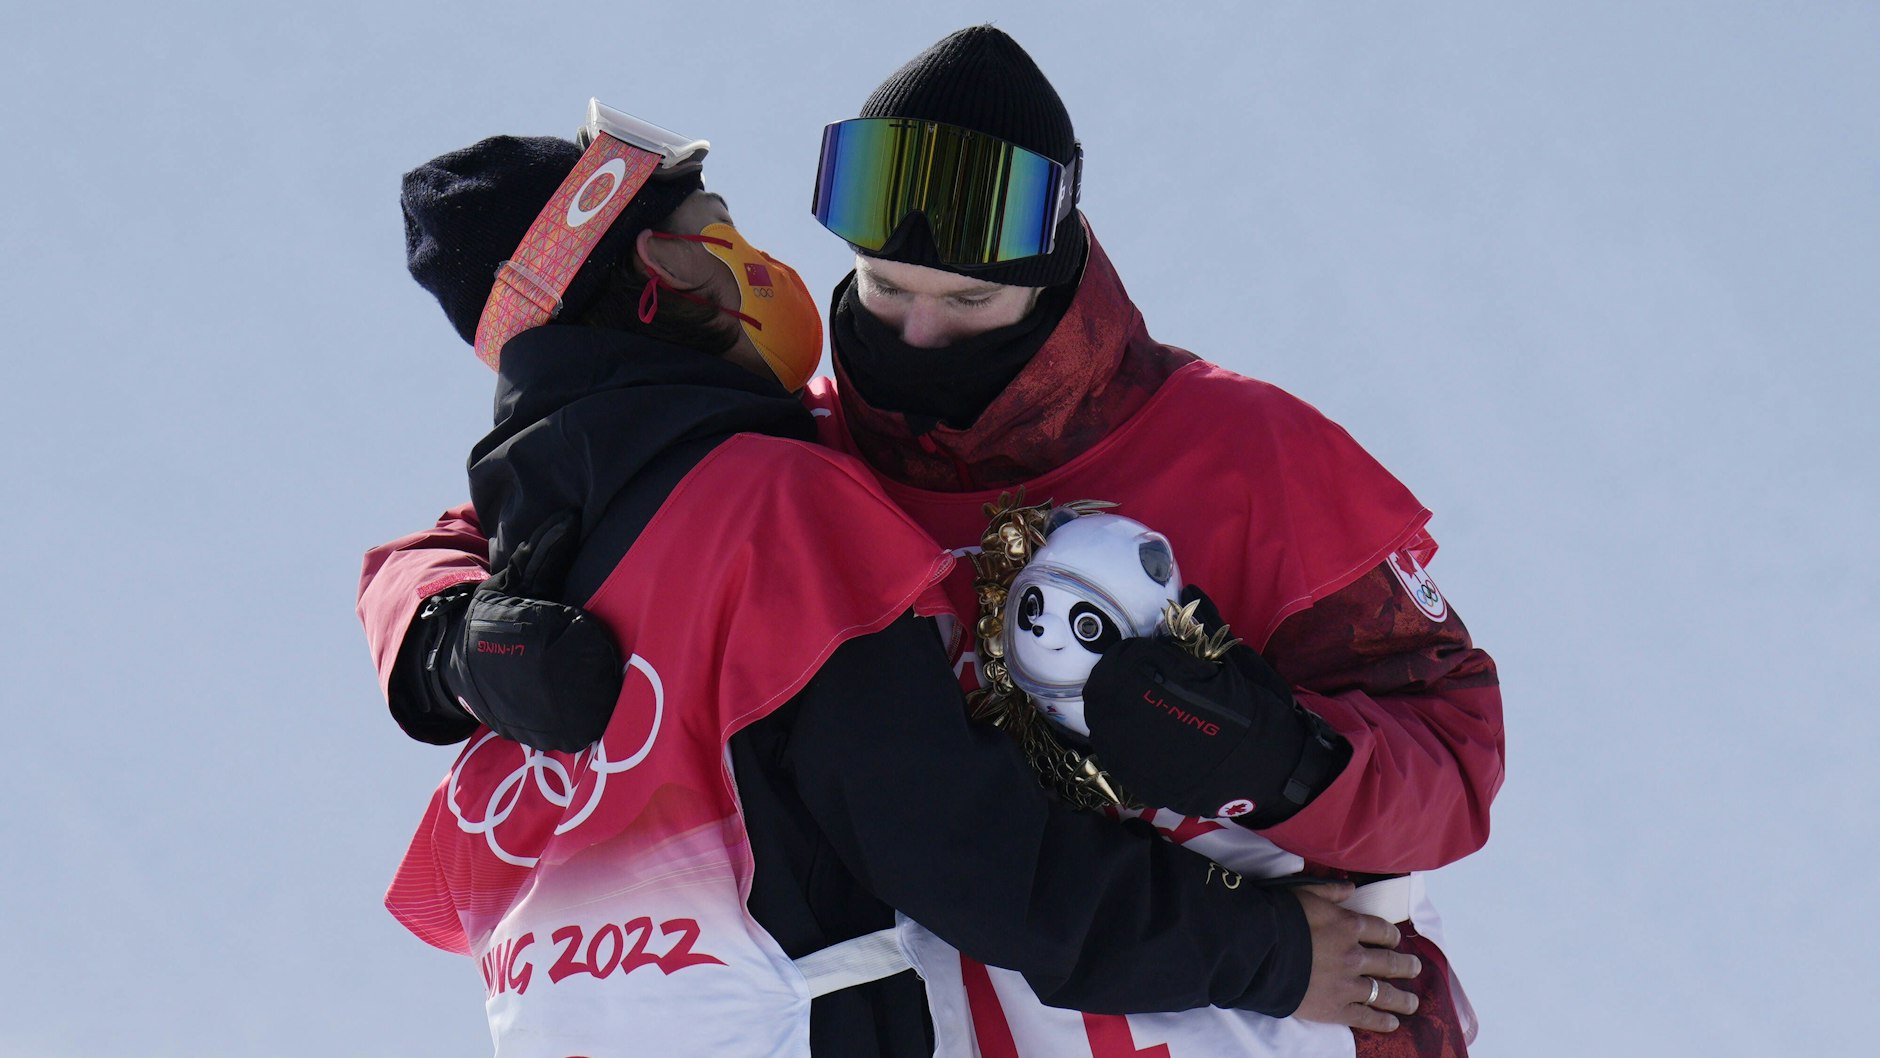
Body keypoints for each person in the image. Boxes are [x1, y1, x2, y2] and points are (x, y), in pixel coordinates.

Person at [366, 101, 1419, 1058]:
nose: (757, 256)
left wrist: (435, 637)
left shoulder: (536, 553)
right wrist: (1267, 953)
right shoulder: (769, 502)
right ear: (669, 270)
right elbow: (953, 842)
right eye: (719, 224)